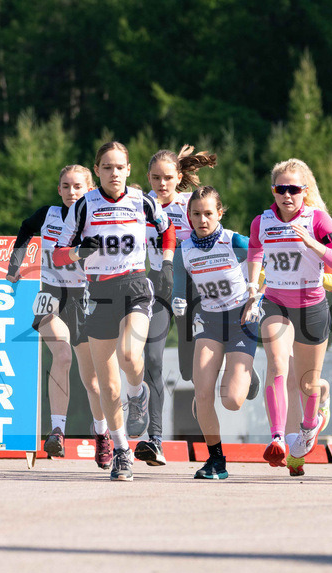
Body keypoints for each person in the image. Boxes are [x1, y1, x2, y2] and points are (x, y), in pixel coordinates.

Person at [54, 141, 174, 481]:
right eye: (107, 167)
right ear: (97, 172)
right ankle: (123, 451)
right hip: (100, 292)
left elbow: (168, 232)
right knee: (106, 385)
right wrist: (79, 251)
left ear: (129, 170)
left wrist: (165, 265)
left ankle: (138, 395)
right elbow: (58, 255)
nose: (114, 173)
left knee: (129, 356)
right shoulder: (84, 206)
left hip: (135, 285)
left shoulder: (142, 199)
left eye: (120, 167)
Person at [241, 158, 332, 477]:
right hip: (276, 302)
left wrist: (313, 244)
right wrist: (251, 287)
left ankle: (308, 427)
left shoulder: (318, 219)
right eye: (280, 189)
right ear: (273, 191)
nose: (286, 196)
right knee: (277, 364)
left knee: (307, 382)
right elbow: (255, 251)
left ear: (304, 190)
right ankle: (277, 437)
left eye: (293, 189)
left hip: (311, 306)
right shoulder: (262, 221)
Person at [6, 165, 110, 467]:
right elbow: (26, 229)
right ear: (58, 189)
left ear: (90, 188)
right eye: (65, 186)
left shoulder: (96, 215)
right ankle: (57, 432)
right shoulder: (48, 214)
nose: (71, 192)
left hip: (84, 298)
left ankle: (101, 434)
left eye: (78, 186)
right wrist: (16, 265)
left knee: (92, 381)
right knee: (62, 357)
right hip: (48, 294)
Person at [171, 186, 258, 480]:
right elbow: (178, 286)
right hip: (209, 320)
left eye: (208, 213)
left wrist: (256, 296)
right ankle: (216, 461)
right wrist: (177, 301)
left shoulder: (234, 241)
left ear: (220, 213)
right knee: (203, 393)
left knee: (232, 400)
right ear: (189, 216)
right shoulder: (184, 249)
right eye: (196, 214)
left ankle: (245, 373)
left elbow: (268, 266)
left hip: (241, 318)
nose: (202, 219)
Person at [141, 146, 217, 464]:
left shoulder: (191, 204)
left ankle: (241, 369)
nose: (162, 184)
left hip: (194, 289)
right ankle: (154, 439)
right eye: (156, 178)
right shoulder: (140, 204)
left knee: (190, 372)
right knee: (153, 359)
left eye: (168, 177)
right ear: (148, 178)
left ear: (180, 177)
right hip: (158, 287)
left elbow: (217, 238)